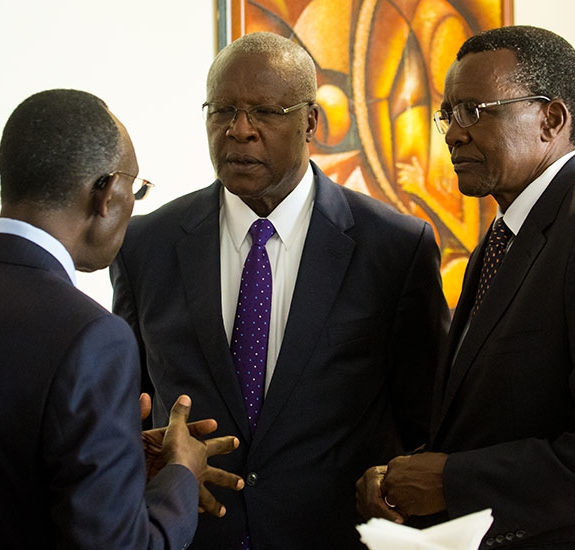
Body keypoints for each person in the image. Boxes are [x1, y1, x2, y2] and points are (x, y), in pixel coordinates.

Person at [109, 32, 451, 549]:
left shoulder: (394, 248)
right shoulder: (145, 245)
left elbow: (424, 421)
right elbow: (127, 407)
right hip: (192, 536)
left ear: (311, 122)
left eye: (264, 112)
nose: (238, 131)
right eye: (221, 110)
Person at [356, 25, 575, 548]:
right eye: (449, 114)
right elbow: (491, 422)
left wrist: (452, 482)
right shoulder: (498, 240)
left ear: (551, 120)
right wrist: (407, 474)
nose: (452, 133)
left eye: (475, 111)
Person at [0, 89, 243, 549]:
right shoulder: (93, 338)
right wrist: (180, 472)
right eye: (135, 189)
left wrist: (116, 462)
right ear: (106, 192)